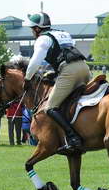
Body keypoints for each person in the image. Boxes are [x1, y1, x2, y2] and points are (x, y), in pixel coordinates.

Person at [23, 11, 89, 155]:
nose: (32, 32)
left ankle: (73, 139)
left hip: (69, 71)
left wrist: (27, 79)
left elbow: (34, 63)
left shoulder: (42, 39)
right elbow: (66, 53)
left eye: (32, 29)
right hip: (85, 68)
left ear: (37, 29)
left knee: (50, 107)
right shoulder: (63, 33)